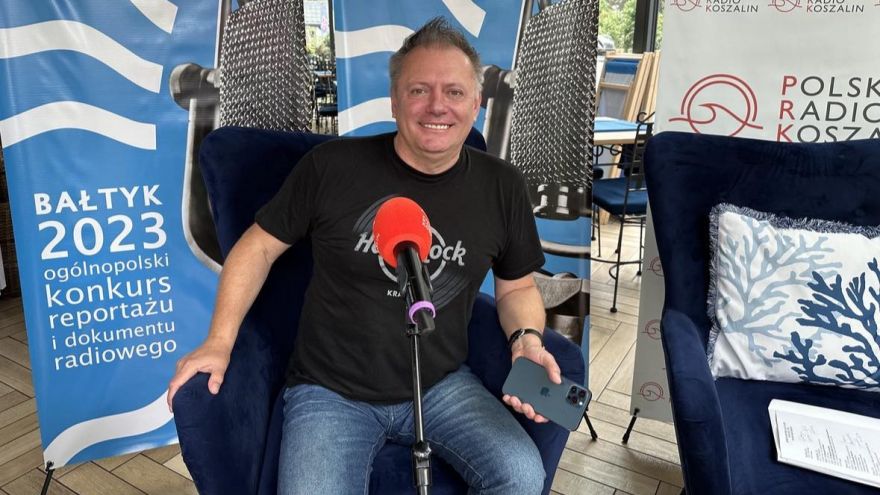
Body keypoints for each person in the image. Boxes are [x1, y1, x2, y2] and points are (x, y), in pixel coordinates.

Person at [167, 17, 562, 495]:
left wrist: (526, 340)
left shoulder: (501, 186)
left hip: (440, 385)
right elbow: (258, 247)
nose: (437, 105)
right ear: (394, 101)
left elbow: (517, 286)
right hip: (330, 391)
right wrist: (219, 340)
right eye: (419, 90)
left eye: (455, 92)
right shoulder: (332, 167)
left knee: (521, 476)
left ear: (476, 103)